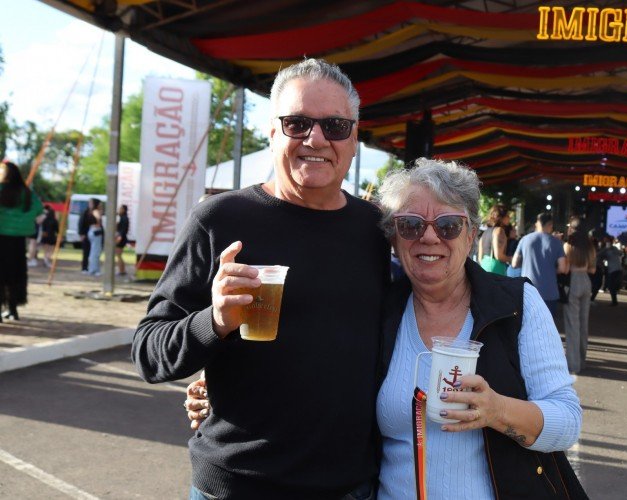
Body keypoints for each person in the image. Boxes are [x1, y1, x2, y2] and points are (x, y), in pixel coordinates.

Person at [189, 159, 585, 499]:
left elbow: (566, 421)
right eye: (410, 225)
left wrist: (498, 410)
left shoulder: (516, 305)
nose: (429, 236)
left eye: (448, 225)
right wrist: (227, 392)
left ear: (470, 235)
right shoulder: (382, 307)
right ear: (394, 240)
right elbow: (319, 367)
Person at [132, 58, 390, 499]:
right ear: (271, 132)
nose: (316, 139)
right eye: (297, 123)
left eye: (335, 125)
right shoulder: (220, 219)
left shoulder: (377, 230)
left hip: (350, 487)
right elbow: (149, 353)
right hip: (237, 485)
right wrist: (213, 322)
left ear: (353, 140)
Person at [0, 160, 43, 322]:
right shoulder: (27, 193)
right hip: (18, 240)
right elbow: (39, 211)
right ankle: (13, 309)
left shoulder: (1, 189)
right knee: (15, 275)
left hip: (1, 237)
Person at [512, 212, 567, 319]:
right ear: (550, 225)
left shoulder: (525, 240)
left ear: (537, 223)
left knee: (526, 326)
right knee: (547, 328)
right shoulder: (556, 243)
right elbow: (563, 267)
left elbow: (514, 263)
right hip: (549, 292)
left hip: (528, 291)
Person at [563, 216, 596, 374]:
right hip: (586, 281)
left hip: (573, 281)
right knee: (584, 323)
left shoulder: (569, 245)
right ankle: (582, 361)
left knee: (572, 324)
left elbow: (565, 268)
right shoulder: (590, 246)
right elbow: (593, 270)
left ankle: (573, 364)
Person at [477, 203, 511, 275]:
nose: (510, 217)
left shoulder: (485, 233)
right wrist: (512, 259)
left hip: (484, 267)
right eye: (507, 215)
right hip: (496, 270)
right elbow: (499, 256)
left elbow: (480, 257)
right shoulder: (499, 231)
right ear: (501, 217)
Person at [596, 237, 623, 306]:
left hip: (613, 269)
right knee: (612, 285)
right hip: (618, 268)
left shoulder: (607, 250)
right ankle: (614, 301)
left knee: (611, 285)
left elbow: (598, 255)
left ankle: (614, 301)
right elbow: (620, 253)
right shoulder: (614, 248)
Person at [78, 197, 101, 273]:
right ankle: (85, 267)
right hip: (88, 233)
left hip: (92, 232)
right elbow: (81, 223)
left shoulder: (92, 212)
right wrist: (81, 234)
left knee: (92, 251)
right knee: (87, 251)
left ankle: (91, 268)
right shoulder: (86, 212)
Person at [87, 204, 104, 276]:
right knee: (95, 252)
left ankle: (93, 269)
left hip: (93, 230)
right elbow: (98, 218)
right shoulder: (96, 211)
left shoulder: (91, 211)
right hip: (96, 231)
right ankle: (94, 269)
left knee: (94, 251)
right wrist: (98, 223)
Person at [115, 204, 129, 276]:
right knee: (119, 255)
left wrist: (119, 237)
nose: (119, 210)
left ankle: (121, 271)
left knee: (118, 255)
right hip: (122, 237)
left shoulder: (124, 218)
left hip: (121, 238)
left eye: (120, 209)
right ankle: (122, 270)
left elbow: (122, 230)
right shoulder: (123, 217)